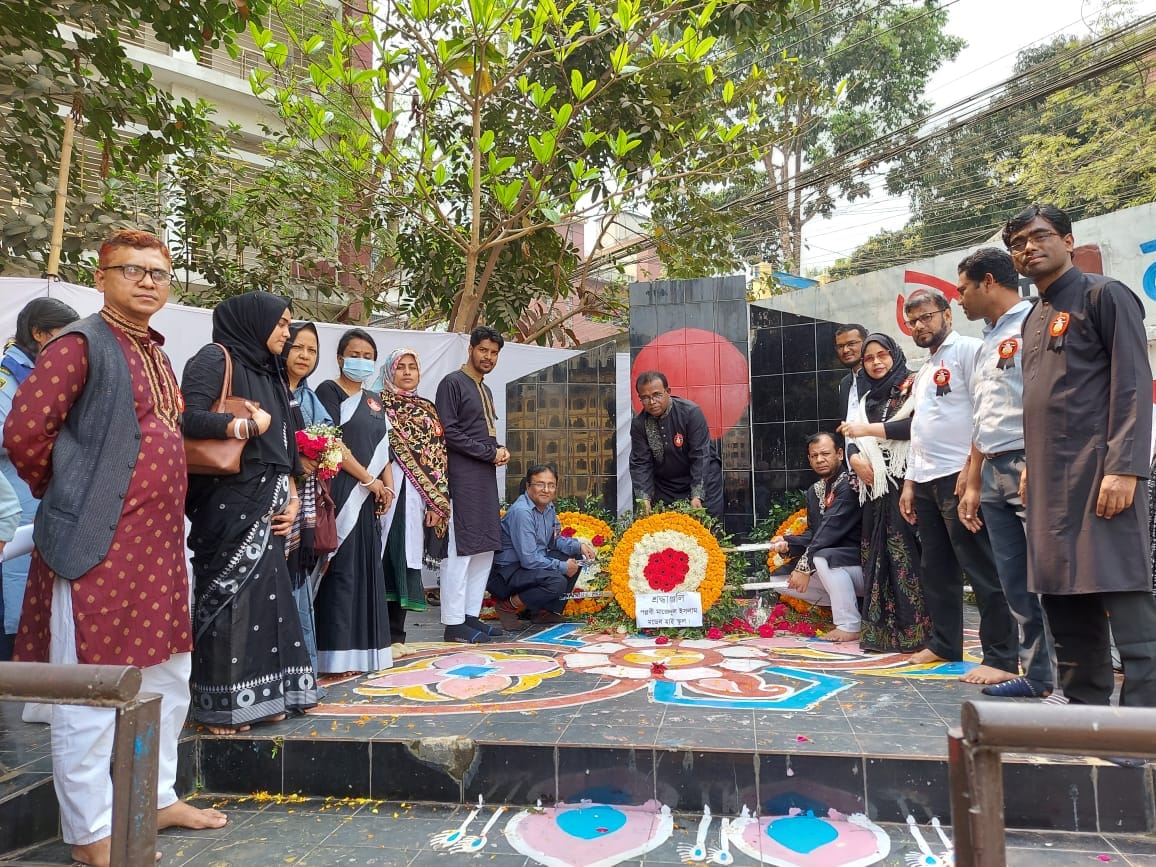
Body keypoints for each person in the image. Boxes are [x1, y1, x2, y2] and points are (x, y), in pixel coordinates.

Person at [4, 229, 226, 867]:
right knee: (93, 692)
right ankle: (91, 834)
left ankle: (153, 798)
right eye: (132, 270)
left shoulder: (154, 349)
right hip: (96, 547)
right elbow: (24, 433)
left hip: (158, 549)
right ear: (101, 277)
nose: (148, 280)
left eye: (159, 271)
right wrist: (72, 494)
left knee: (166, 680)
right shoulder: (80, 344)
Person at [1005, 202, 1156, 706]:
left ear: (1067, 241)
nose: (1029, 247)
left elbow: (1134, 385)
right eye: (1018, 243)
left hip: (1102, 476)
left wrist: (1125, 467)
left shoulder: (1105, 295)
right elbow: (1043, 402)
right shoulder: (1033, 317)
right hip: (1048, 483)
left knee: (1124, 596)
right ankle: (1085, 714)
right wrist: (1030, 466)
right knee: (1065, 601)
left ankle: (1140, 727)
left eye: (1039, 236)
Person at [182, 292, 317, 734]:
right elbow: (185, 420)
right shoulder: (215, 359)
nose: (286, 332)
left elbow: (284, 446)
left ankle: (266, 696)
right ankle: (222, 707)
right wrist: (242, 426)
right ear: (253, 324)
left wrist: (294, 497)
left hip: (273, 501)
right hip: (227, 504)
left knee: (268, 602)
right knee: (230, 599)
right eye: (280, 324)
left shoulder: (271, 372)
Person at [897, 288, 1018, 686]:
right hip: (927, 479)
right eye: (912, 321)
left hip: (960, 477)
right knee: (936, 570)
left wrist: (972, 472)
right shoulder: (925, 367)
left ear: (946, 314)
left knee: (981, 568)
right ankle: (945, 643)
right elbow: (919, 430)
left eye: (925, 317)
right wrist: (910, 484)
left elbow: (984, 411)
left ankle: (1002, 656)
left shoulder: (968, 349)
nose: (919, 325)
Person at [955, 248, 1056, 699]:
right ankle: (1036, 677)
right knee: (1013, 579)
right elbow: (984, 414)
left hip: (1028, 465)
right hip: (993, 469)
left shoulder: (1033, 324)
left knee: (1048, 575)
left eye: (962, 289)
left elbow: (1046, 401)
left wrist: (1037, 461)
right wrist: (973, 479)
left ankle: (1070, 679)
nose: (959, 299)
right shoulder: (987, 341)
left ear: (989, 281)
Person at [839, 334, 929, 652]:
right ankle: (882, 634)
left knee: (908, 558)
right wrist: (854, 457)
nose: (876, 362)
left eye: (882, 355)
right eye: (869, 358)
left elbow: (915, 429)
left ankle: (917, 634)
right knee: (877, 559)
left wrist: (867, 432)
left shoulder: (912, 387)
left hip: (908, 484)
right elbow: (851, 435)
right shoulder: (866, 401)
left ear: (895, 355)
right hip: (874, 489)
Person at [312, 328, 396, 672]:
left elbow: (384, 448)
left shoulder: (375, 400)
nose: (361, 361)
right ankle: (334, 656)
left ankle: (364, 652)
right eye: (355, 354)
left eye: (367, 356)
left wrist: (386, 487)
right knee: (341, 572)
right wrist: (369, 480)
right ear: (340, 358)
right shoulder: (327, 391)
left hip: (370, 497)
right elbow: (332, 443)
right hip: (341, 493)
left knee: (365, 572)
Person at [0, 298, 79, 660]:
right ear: (37, 332)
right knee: (14, 585)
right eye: (62, 336)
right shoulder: (7, 376)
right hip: (14, 500)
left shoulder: (47, 374)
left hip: (46, 498)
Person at [436, 326, 508, 644]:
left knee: (484, 548)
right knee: (461, 548)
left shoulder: (485, 389)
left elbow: (482, 434)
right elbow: (449, 433)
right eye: (483, 350)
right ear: (471, 349)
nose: (488, 357)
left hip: (484, 478)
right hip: (461, 477)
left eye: (493, 352)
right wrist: (490, 452)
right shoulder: (452, 383)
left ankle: (470, 616)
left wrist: (495, 451)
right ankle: (453, 624)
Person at [375, 348, 450, 658]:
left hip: (416, 497)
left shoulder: (427, 410)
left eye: (412, 367)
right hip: (381, 489)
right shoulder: (376, 405)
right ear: (389, 372)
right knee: (381, 558)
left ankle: (397, 634)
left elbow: (438, 458)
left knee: (406, 558)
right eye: (400, 367)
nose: (406, 372)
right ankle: (376, 633)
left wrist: (436, 503)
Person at [769, 433, 865, 643]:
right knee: (778, 581)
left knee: (822, 558)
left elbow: (830, 530)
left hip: (860, 563)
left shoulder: (850, 484)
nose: (820, 459)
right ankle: (846, 604)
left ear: (840, 454)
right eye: (814, 456)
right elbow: (815, 532)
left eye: (825, 454)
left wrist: (804, 566)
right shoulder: (815, 490)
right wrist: (789, 543)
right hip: (831, 561)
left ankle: (849, 623)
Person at [489, 464, 596, 630]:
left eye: (551, 485)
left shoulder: (548, 508)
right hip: (506, 574)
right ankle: (507, 606)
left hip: (524, 567)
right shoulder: (522, 512)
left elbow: (554, 541)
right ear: (528, 486)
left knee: (577, 556)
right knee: (556, 581)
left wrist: (578, 546)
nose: (546, 490)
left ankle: (543, 612)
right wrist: (562, 566)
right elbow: (529, 560)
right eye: (540, 484)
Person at [283, 321, 331, 681]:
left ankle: (304, 674)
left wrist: (321, 458)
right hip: (277, 506)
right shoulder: (269, 391)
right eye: (298, 346)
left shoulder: (312, 398)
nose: (304, 355)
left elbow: (330, 446)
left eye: (312, 350)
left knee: (301, 588)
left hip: (307, 508)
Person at [629, 371, 724, 521]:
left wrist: (697, 495)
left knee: (706, 529)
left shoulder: (691, 413)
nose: (652, 402)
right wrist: (644, 499)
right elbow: (641, 463)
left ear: (668, 392)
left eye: (657, 395)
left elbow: (701, 455)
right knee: (663, 531)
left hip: (703, 477)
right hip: (666, 485)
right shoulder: (639, 423)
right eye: (645, 398)